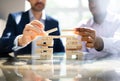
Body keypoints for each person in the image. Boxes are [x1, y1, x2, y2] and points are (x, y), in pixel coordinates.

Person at [0, 0, 65, 56]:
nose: (39, 0)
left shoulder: (53, 22)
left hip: (46, 68)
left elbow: (60, 50)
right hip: (23, 68)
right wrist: (21, 41)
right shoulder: (15, 18)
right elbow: (2, 45)